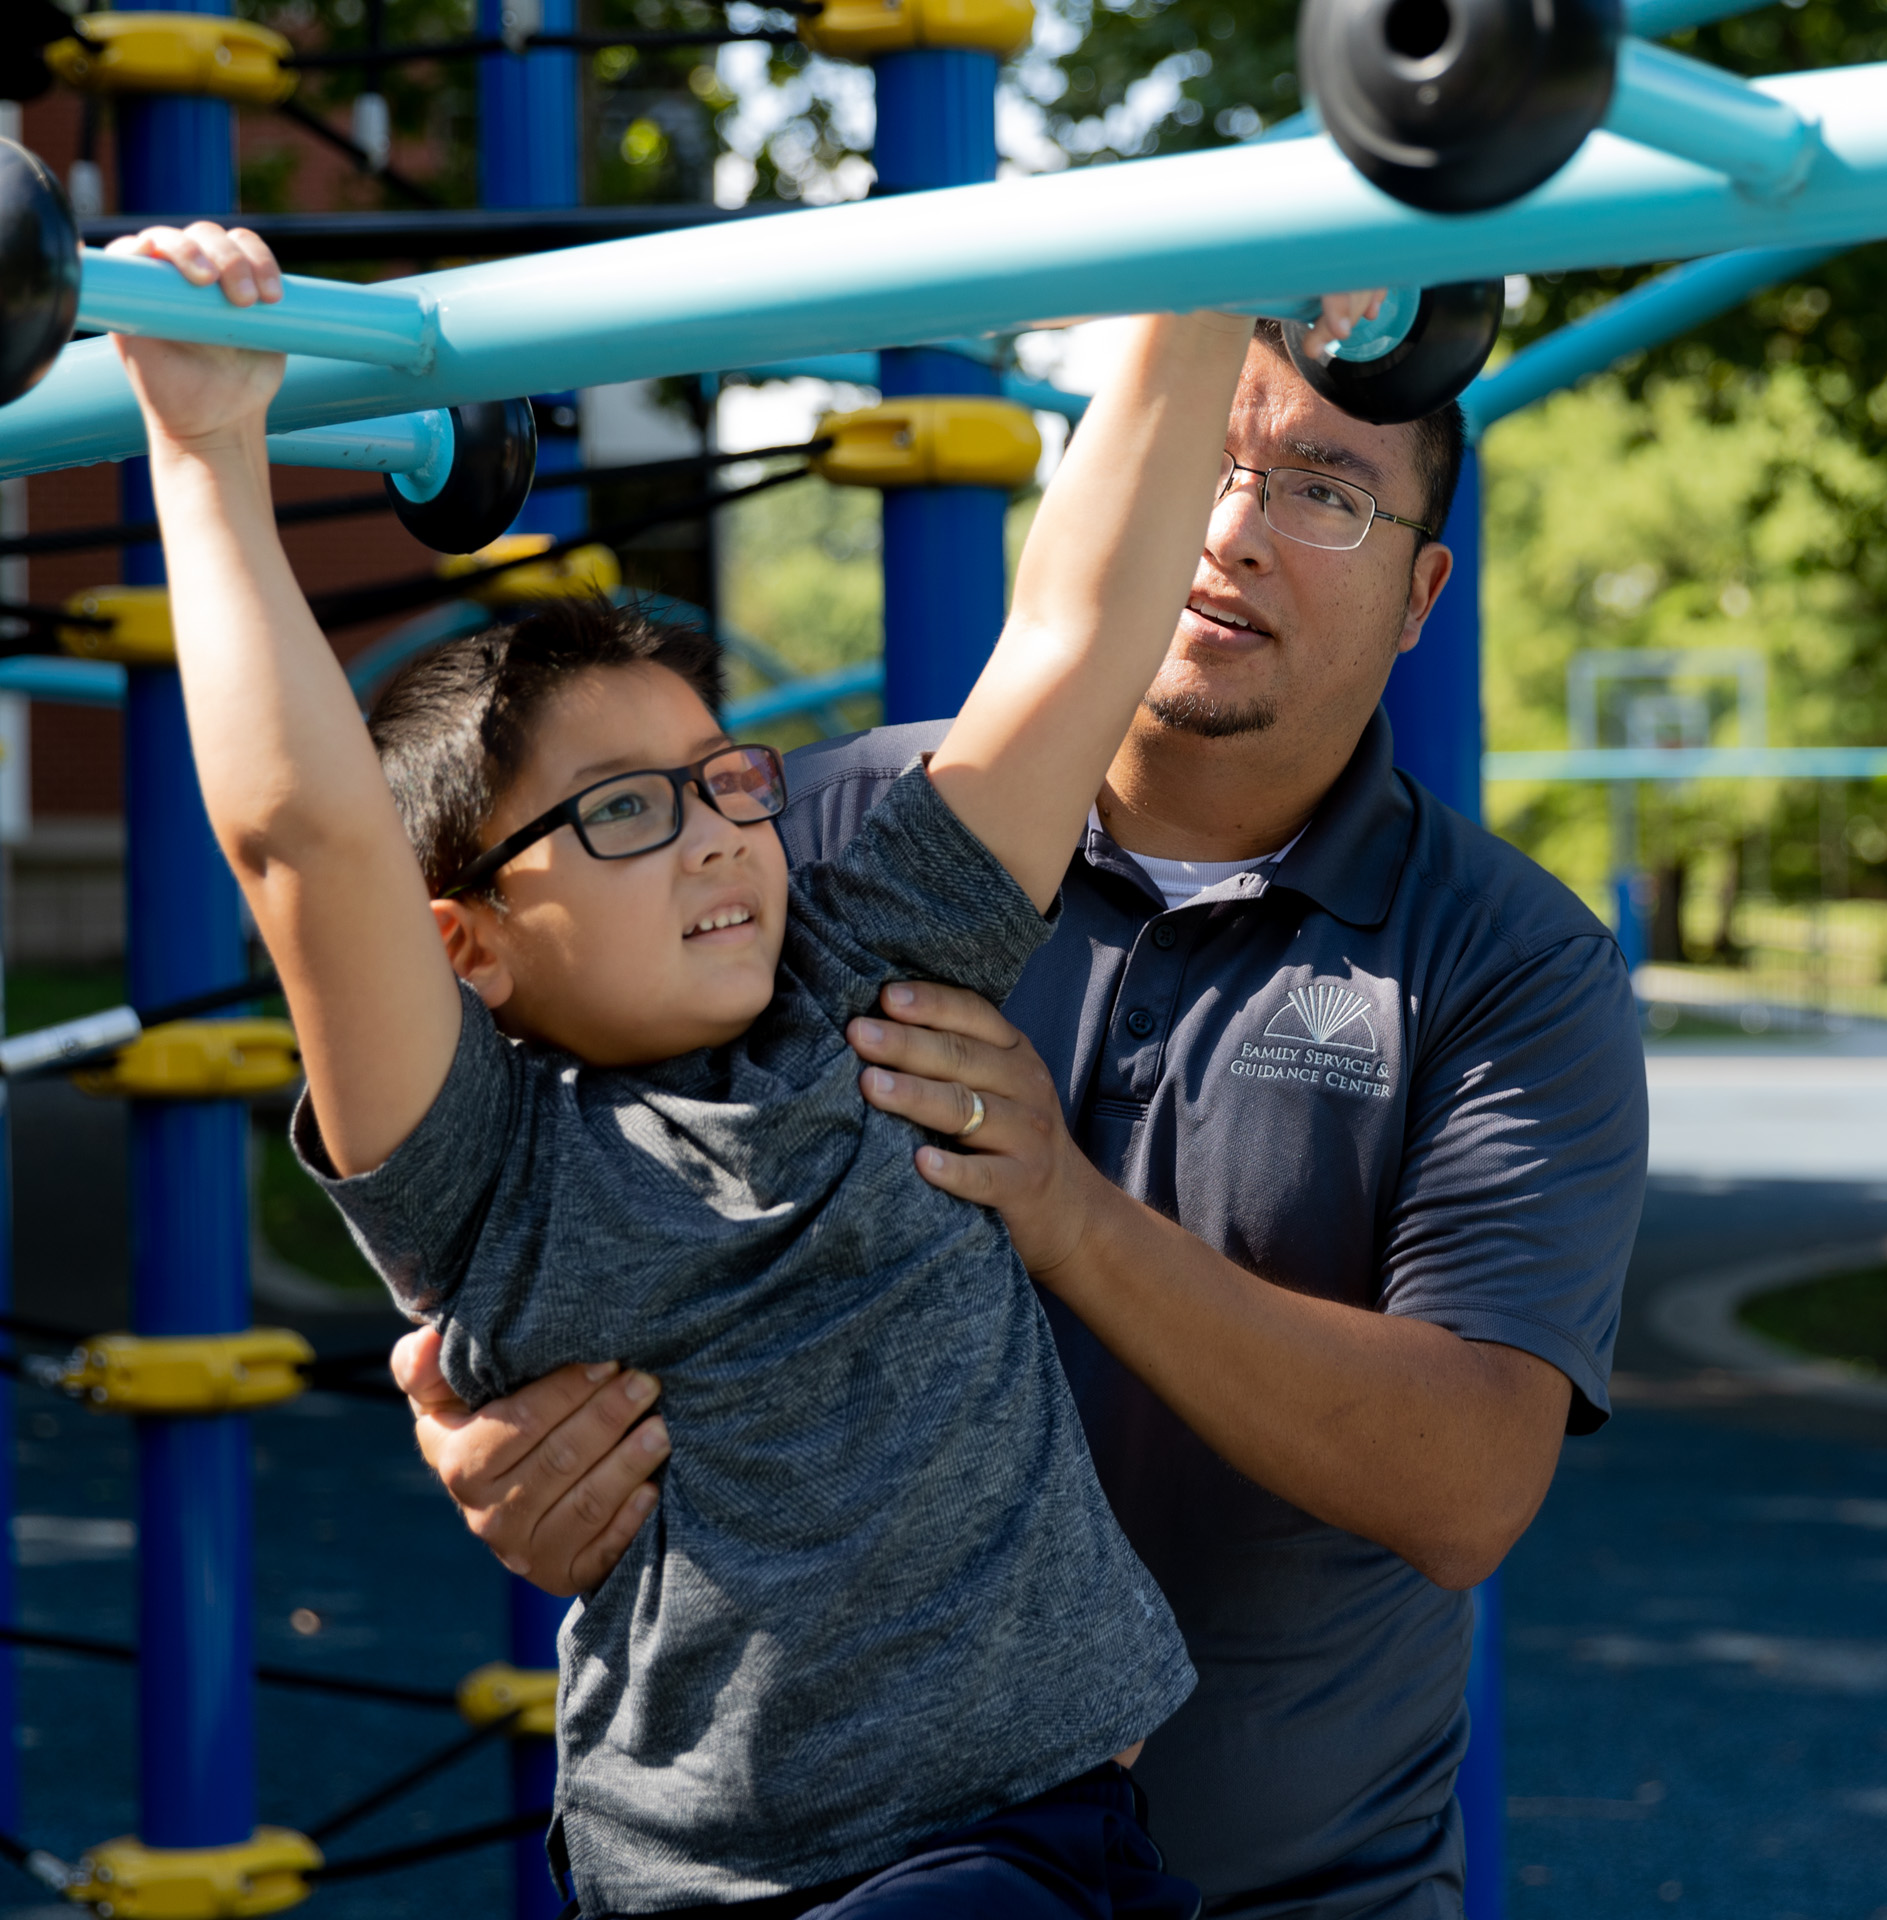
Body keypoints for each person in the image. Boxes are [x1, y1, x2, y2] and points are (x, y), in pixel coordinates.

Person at [111, 216, 1391, 1920]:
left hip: (1049, 1842)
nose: (718, 836)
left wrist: (1208, 281)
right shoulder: (485, 1176)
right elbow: (305, 843)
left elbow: (1077, 629)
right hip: (738, 1888)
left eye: (724, 782)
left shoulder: (866, 970)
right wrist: (205, 447)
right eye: (624, 814)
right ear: (466, 940)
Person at [399, 318, 1651, 1917]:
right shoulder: (818, 850)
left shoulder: (1511, 964)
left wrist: (1068, 1215)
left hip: (1306, 1886)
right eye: (1203, 461)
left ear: (1421, 596)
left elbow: (1469, 1482)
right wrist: (478, 1408)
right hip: (831, 1882)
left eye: (1325, 492)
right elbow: (504, 1170)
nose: (1232, 528)